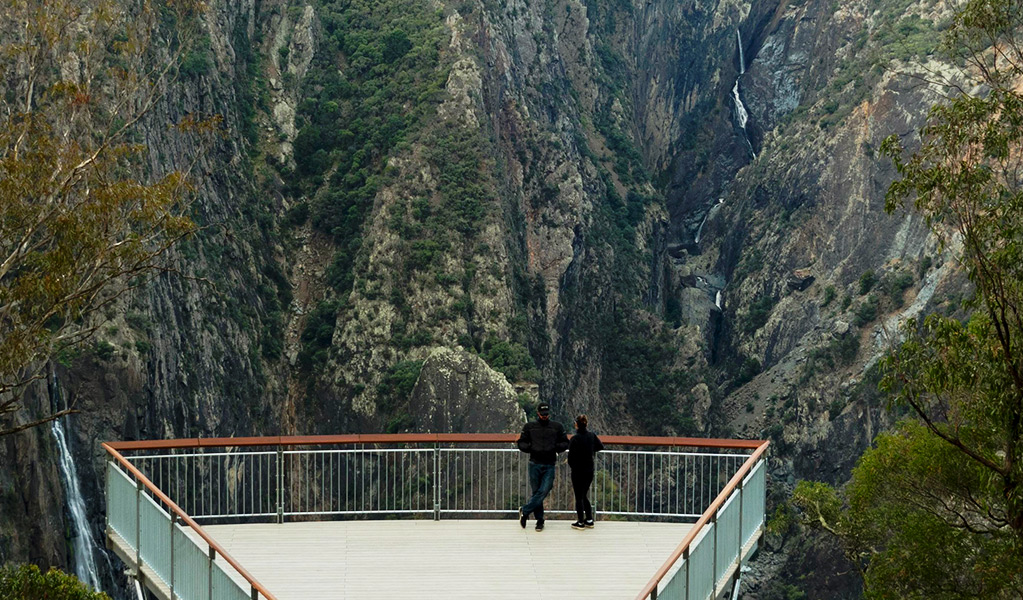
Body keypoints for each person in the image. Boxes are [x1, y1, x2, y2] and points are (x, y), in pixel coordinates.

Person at [516, 402, 569, 531]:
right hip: (535, 463)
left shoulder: (557, 427)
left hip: (549, 464)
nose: (545, 416)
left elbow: (565, 442)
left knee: (544, 490)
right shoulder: (529, 427)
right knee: (537, 492)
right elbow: (521, 442)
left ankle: (525, 511)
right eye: (542, 414)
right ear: (538, 413)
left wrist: (555, 448)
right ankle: (540, 520)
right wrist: (531, 449)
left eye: (546, 414)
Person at [568, 414, 603, 530]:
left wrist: (573, 466)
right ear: (586, 424)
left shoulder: (574, 439)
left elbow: (570, 458)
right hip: (589, 470)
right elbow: (600, 446)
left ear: (576, 424)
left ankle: (580, 521)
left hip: (578, 471)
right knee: (584, 495)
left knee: (579, 496)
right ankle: (589, 519)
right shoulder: (591, 436)